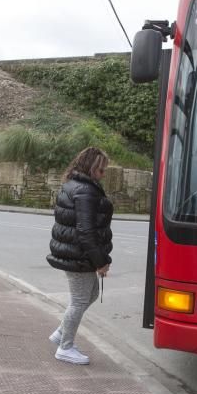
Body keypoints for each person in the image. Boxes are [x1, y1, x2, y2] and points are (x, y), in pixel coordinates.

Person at [46, 147, 113, 365]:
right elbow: (86, 232)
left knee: (91, 293)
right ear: (91, 168)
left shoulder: (77, 185)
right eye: (101, 170)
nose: (103, 174)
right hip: (79, 255)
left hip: (77, 253)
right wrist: (101, 262)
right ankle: (65, 347)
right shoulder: (85, 191)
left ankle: (60, 334)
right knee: (79, 300)